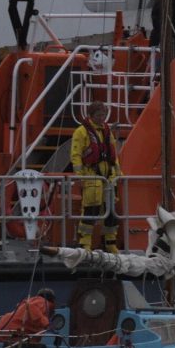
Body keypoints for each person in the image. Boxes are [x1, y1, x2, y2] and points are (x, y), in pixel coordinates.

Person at [70, 100, 121, 252]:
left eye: (104, 115)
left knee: (111, 211)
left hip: (109, 177)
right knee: (90, 210)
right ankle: (85, 243)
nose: (102, 118)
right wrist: (79, 175)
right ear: (91, 115)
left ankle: (110, 242)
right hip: (92, 176)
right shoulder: (81, 132)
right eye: (99, 115)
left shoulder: (107, 131)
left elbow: (113, 153)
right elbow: (76, 154)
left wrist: (118, 172)